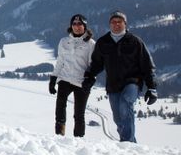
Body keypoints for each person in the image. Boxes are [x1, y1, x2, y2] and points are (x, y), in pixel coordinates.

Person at [82, 10, 157, 142]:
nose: (116, 24)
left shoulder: (135, 41)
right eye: (113, 22)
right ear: (109, 24)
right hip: (113, 85)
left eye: (119, 22)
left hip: (132, 82)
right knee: (118, 118)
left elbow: (147, 65)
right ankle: (130, 143)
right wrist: (89, 76)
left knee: (125, 102)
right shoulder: (103, 42)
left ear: (125, 24)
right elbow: (97, 64)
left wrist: (151, 87)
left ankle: (127, 143)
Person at [48, 14, 95, 137]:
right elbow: (60, 61)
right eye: (74, 24)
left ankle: (78, 140)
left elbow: (93, 64)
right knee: (60, 106)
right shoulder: (64, 41)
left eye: (80, 24)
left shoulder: (90, 44)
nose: (77, 26)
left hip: (81, 81)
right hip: (65, 78)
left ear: (85, 26)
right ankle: (59, 135)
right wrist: (53, 78)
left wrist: (90, 80)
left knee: (79, 114)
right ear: (71, 26)